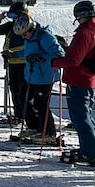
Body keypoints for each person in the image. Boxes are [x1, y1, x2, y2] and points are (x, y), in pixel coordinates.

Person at [52, 0, 95, 164]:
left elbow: (74, 60)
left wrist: (54, 62)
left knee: (80, 118)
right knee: (86, 116)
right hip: (89, 78)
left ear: (80, 15)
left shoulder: (85, 32)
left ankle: (90, 153)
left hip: (79, 79)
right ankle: (91, 150)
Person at [13, 13, 63, 143]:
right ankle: (34, 127)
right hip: (30, 75)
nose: (23, 37)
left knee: (40, 104)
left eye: (24, 34)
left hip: (44, 77)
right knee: (23, 99)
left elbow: (60, 54)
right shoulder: (29, 38)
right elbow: (27, 52)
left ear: (31, 29)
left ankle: (49, 133)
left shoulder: (45, 37)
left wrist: (41, 58)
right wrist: (13, 54)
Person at [0, 1, 30, 124]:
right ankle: (18, 115)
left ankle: (25, 116)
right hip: (11, 63)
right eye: (11, 16)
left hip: (24, 64)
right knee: (14, 90)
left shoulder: (29, 26)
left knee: (23, 91)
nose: (13, 19)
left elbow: (29, 46)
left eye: (15, 16)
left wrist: (13, 52)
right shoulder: (10, 27)